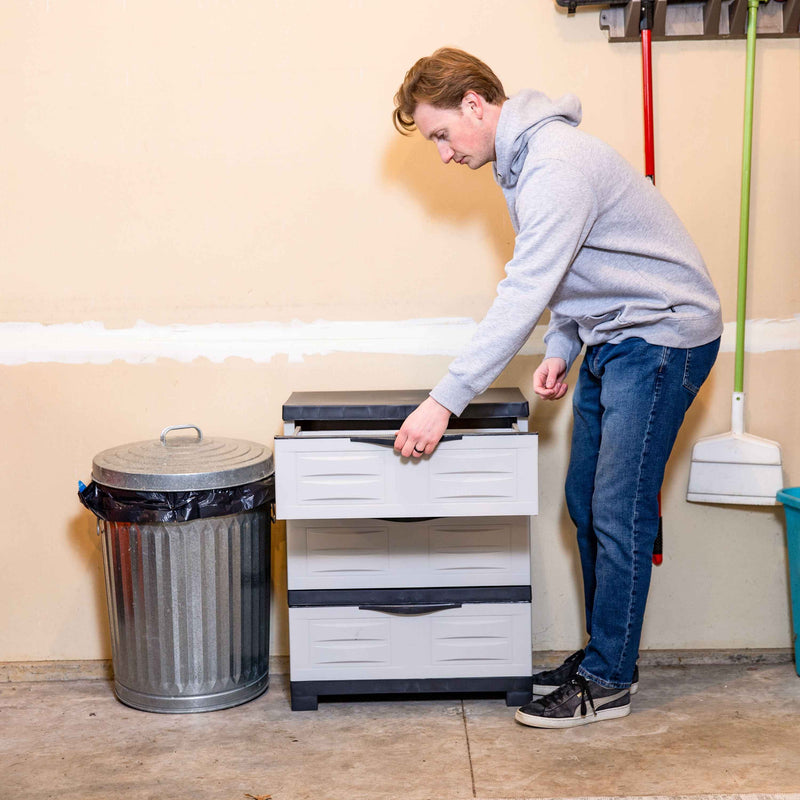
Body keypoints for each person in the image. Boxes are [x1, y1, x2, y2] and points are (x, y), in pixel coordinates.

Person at [391, 47, 722, 728]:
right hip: (617, 334)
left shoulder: (553, 167)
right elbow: (576, 265)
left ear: (475, 105)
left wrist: (443, 399)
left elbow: (523, 292)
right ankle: (607, 651)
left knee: (617, 508)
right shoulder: (524, 165)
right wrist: (567, 343)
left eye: (441, 135)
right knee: (584, 501)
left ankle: (608, 680)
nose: (444, 154)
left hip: (662, 335)